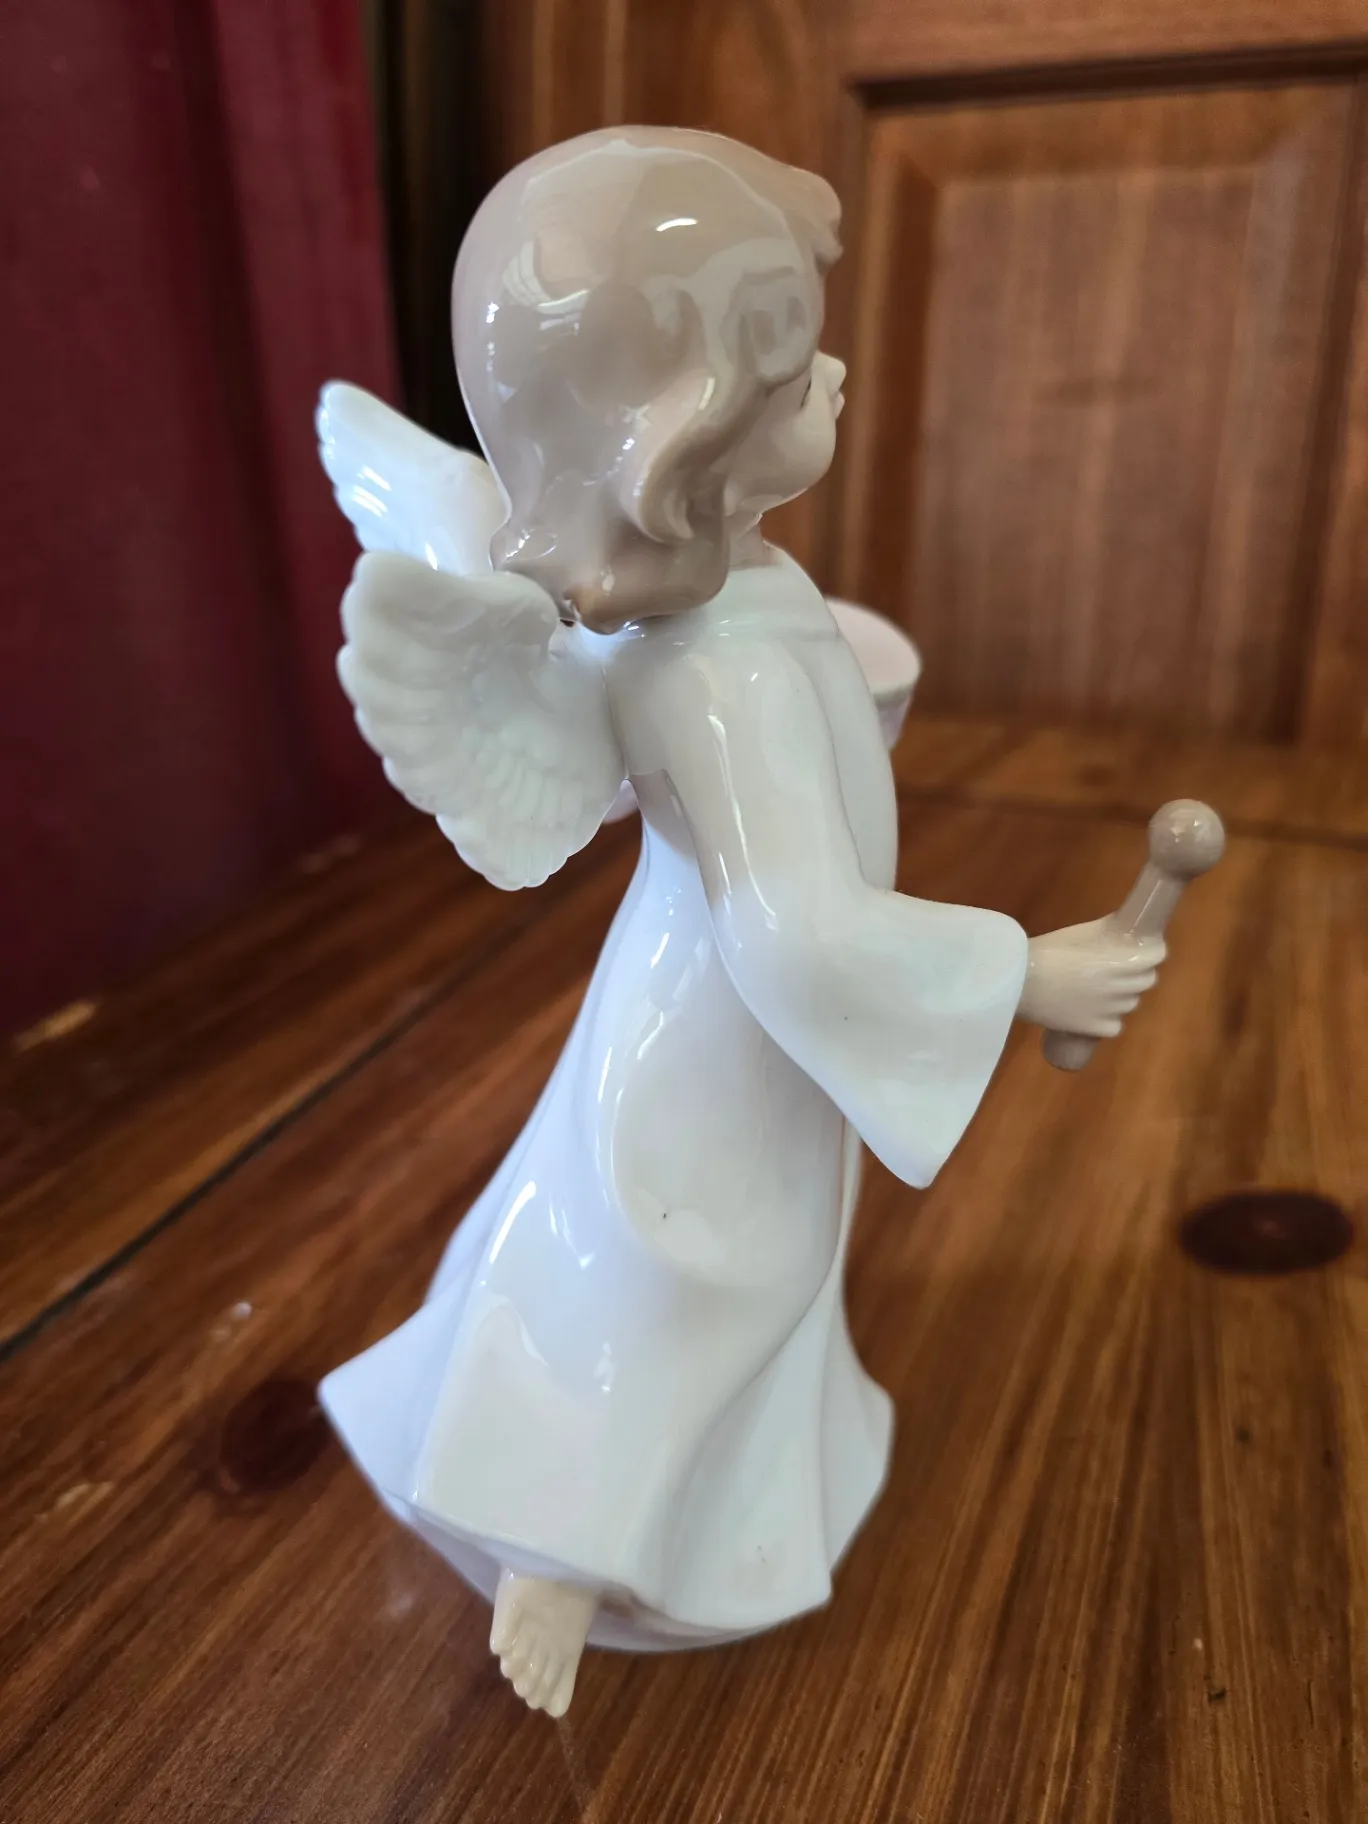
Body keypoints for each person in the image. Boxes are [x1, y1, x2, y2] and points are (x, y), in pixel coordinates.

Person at [317, 126, 1162, 1718]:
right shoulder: (723, 674)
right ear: (680, 453)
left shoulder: (712, 611)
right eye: (790, 377)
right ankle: (566, 1543)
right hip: (730, 1027)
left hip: (696, 1009)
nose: (834, 378)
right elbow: (800, 935)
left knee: (671, 1253)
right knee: (704, 1272)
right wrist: (1023, 975)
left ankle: (674, 1510)